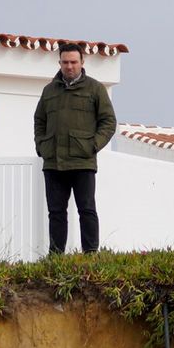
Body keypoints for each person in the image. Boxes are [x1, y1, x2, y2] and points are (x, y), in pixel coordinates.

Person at [33, 42, 116, 254]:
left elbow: (108, 122)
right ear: (59, 62)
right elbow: (39, 120)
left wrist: (93, 146)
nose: (69, 66)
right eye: (65, 62)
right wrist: (41, 146)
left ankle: (90, 255)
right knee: (56, 212)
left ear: (82, 62)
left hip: (83, 162)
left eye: (73, 62)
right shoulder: (49, 91)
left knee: (87, 210)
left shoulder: (95, 89)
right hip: (54, 163)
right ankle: (55, 256)